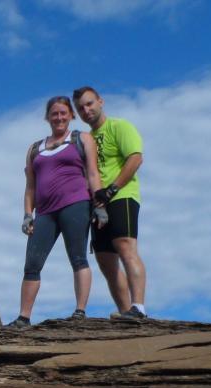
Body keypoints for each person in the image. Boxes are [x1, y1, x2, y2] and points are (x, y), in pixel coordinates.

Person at [7, 95, 103, 328]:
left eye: (63, 113)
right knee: (32, 264)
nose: (59, 117)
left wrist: (100, 206)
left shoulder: (82, 139)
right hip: (45, 212)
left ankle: (80, 311)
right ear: (47, 117)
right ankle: (23, 317)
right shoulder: (35, 149)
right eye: (54, 114)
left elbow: (92, 173)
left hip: (76, 204)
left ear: (70, 115)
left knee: (78, 257)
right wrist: (28, 214)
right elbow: (30, 186)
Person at [73, 85, 147, 320]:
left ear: (100, 102)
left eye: (89, 103)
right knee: (106, 261)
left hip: (121, 196)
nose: (86, 110)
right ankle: (127, 313)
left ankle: (138, 307)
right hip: (96, 204)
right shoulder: (84, 139)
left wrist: (112, 188)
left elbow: (135, 158)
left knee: (126, 247)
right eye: (81, 108)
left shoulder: (119, 126)